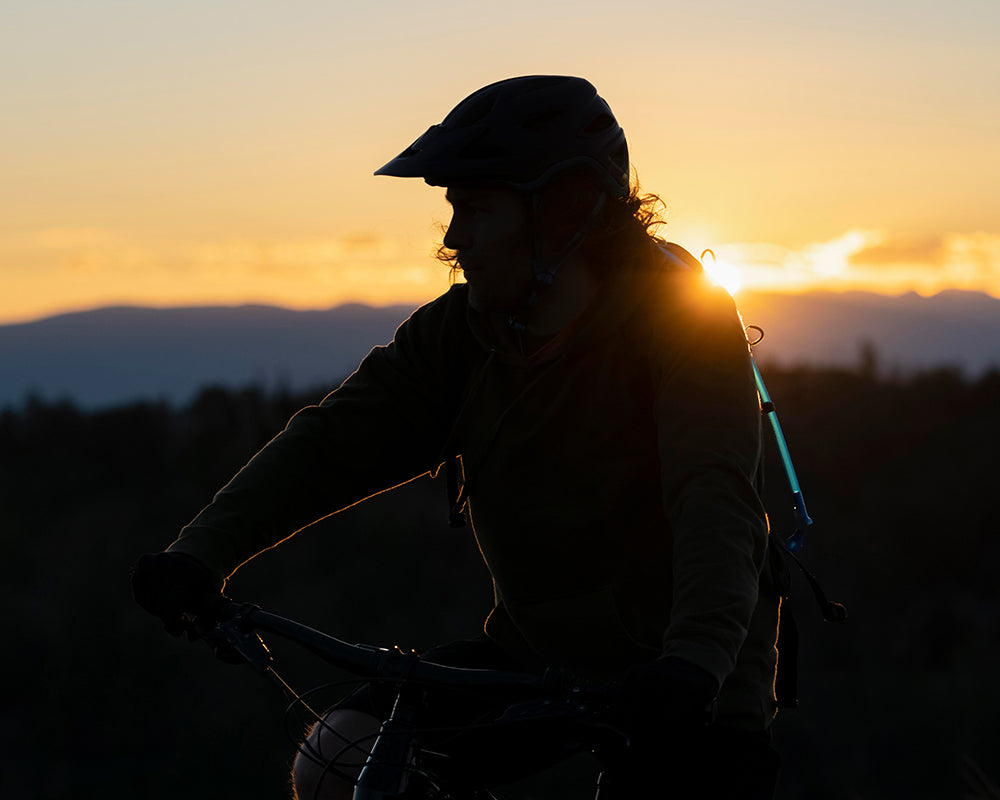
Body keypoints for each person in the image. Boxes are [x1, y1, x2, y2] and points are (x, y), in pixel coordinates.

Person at [132, 75, 782, 799]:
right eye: (453, 208)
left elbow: (715, 499)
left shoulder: (679, 325)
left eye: (475, 209)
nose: (452, 237)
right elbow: (332, 443)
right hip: (533, 659)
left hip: (686, 678)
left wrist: (694, 662)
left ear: (566, 213)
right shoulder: (463, 335)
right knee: (340, 757)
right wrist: (200, 552)